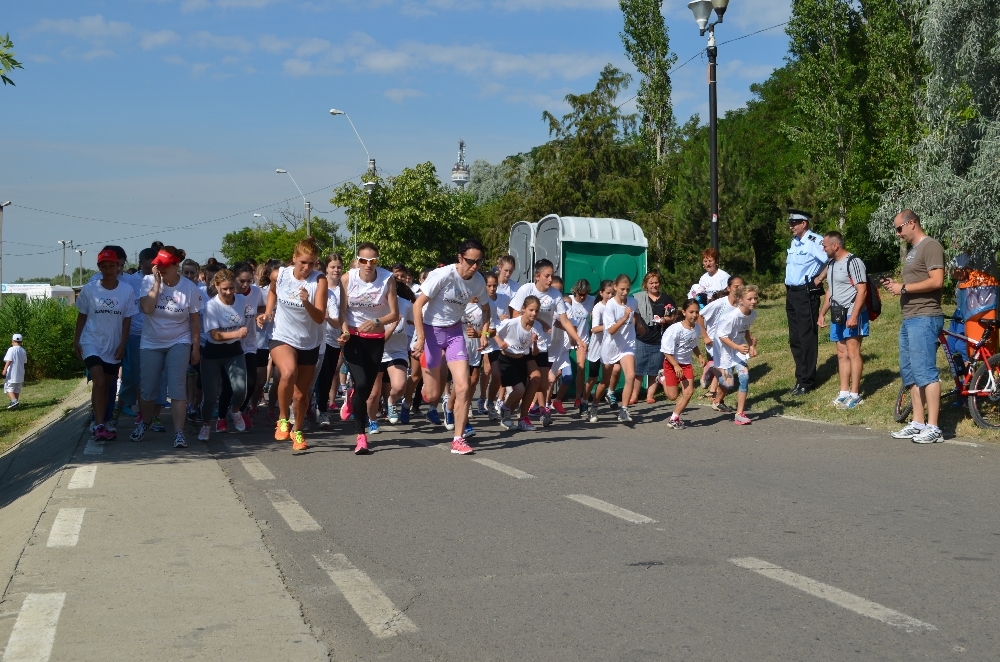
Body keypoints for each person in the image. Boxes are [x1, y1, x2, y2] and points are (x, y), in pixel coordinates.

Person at [412, 239, 490, 455]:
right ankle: (432, 383)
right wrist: (420, 338)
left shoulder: (478, 282)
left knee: (464, 386)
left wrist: (484, 333)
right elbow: (417, 305)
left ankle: (458, 438)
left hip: (455, 332)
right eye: (469, 261)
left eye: (479, 262)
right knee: (432, 394)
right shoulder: (443, 275)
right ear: (459, 258)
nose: (474, 266)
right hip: (431, 332)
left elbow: (486, 309)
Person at [883, 210, 946, 443]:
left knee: (926, 372)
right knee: (910, 372)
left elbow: (937, 280)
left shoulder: (930, 246)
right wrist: (897, 286)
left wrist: (904, 288)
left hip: (925, 316)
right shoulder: (912, 252)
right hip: (909, 317)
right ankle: (918, 422)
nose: (897, 233)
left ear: (912, 223)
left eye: (899, 228)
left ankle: (934, 427)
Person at [259, 237, 328, 452]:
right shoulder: (280, 275)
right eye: (303, 263)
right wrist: (268, 312)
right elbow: (272, 291)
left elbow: (319, 318)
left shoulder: (319, 281)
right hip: (283, 336)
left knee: (301, 394)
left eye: (312, 263)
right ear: (294, 259)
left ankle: (297, 430)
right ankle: (282, 419)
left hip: (309, 342)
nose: (307, 268)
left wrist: (306, 301)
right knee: (287, 373)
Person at [132, 246, 201, 448]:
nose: (159, 270)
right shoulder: (148, 281)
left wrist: (195, 347)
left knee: (177, 387)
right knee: (148, 389)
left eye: (164, 267)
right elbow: (146, 308)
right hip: (151, 342)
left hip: (179, 340)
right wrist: (156, 285)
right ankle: (145, 422)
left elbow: (195, 321)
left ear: (175, 265)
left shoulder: (189, 288)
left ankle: (179, 433)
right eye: (157, 266)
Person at [509, 259, 588, 427]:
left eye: (552, 275)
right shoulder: (526, 289)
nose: (550, 279)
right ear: (537, 276)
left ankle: (527, 415)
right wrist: (537, 322)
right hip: (523, 343)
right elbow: (515, 315)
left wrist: (579, 340)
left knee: (541, 382)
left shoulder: (555, 295)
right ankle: (507, 408)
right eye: (547, 276)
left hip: (543, 344)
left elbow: (565, 320)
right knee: (524, 384)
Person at [337, 242, 399, 454]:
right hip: (353, 337)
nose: (368, 265)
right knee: (362, 383)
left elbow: (395, 314)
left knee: (367, 388)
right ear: (358, 260)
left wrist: (377, 321)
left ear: (377, 261)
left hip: (375, 338)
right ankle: (361, 436)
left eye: (372, 261)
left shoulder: (387, 279)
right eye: (363, 260)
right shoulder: (348, 278)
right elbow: (342, 311)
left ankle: (353, 395)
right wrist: (344, 331)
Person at [74, 249, 139, 441]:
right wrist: (76, 340)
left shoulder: (127, 290)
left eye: (112, 266)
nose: (109, 270)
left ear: (118, 267)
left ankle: (103, 421)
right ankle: (98, 424)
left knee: (108, 385)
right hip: (91, 341)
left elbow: (127, 319)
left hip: (113, 345)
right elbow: (82, 315)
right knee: (99, 382)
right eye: (104, 266)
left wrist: (123, 344)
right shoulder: (90, 289)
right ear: (99, 268)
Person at [817, 231, 869, 410]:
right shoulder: (831, 264)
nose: (823, 249)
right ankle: (843, 392)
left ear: (835, 245)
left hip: (853, 313)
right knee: (841, 353)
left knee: (853, 352)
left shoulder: (853, 262)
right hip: (837, 314)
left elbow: (862, 290)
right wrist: (822, 313)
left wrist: (854, 315)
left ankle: (855, 394)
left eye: (824, 246)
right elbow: (831, 291)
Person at [197, 269, 249, 441]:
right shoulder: (212, 306)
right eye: (224, 289)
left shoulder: (241, 300)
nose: (228, 292)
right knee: (210, 396)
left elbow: (254, 311)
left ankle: (234, 411)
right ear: (216, 286)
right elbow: (215, 335)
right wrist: (237, 333)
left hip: (234, 351)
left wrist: (260, 317)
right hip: (213, 354)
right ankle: (205, 424)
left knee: (241, 389)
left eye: (231, 288)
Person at [784, 209, 828, 395]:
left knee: (806, 336)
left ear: (804, 224)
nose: (791, 226)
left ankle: (808, 381)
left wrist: (819, 278)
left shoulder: (815, 242)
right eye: (790, 223)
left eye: (795, 223)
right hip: (792, 294)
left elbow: (831, 259)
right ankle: (800, 377)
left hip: (805, 293)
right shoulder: (794, 243)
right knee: (795, 338)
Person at [115, 246, 157, 423]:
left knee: (148, 376)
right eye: (147, 268)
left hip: (153, 335)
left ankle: (142, 411)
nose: (150, 271)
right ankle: (123, 407)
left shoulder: (161, 281)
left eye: (152, 268)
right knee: (133, 376)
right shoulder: (130, 281)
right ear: (140, 264)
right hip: (134, 334)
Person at [365, 278, 412, 434]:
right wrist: (392, 326)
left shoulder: (405, 304)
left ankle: (390, 401)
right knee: (373, 395)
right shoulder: (373, 306)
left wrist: (419, 339)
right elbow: (380, 340)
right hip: (376, 351)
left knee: (399, 387)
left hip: (397, 351)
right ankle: (372, 421)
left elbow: (418, 319)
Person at [494, 296, 544, 430]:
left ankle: (521, 418)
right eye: (531, 310)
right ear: (523, 309)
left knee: (527, 386)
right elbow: (493, 331)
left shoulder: (537, 327)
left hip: (522, 358)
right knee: (520, 390)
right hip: (506, 359)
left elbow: (534, 353)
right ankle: (504, 409)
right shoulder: (512, 323)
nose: (534, 313)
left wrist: (534, 342)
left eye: (537, 311)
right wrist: (500, 342)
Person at [713, 284, 759, 425]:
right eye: (749, 299)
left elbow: (745, 329)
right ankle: (712, 369)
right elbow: (722, 336)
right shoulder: (731, 316)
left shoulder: (752, 314)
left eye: (755, 298)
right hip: (724, 350)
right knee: (728, 383)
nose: (753, 301)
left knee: (744, 376)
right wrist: (738, 347)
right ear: (740, 300)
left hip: (738, 349)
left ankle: (739, 414)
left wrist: (751, 345)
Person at [597, 274, 639, 423]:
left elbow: (636, 314)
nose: (625, 292)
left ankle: (624, 410)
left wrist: (638, 324)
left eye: (627, 289)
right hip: (610, 346)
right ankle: (594, 405)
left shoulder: (633, 302)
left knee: (630, 375)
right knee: (605, 381)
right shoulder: (610, 306)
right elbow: (611, 331)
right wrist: (624, 318)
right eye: (622, 289)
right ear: (615, 287)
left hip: (627, 345)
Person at [699, 275, 744, 413]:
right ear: (728, 288)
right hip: (716, 344)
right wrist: (705, 336)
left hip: (732, 345)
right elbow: (700, 316)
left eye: (742, 286)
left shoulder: (742, 304)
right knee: (728, 379)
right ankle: (711, 368)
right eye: (736, 286)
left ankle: (718, 401)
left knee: (728, 382)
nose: (739, 289)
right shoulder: (720, 303)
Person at [633, 271, 678, 404]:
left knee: (655, 370)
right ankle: (634, 395)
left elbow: (674, 315)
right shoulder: (637, 298)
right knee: (638, 370)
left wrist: (666, 319)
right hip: (641, 338)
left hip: (660, 339)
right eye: (651, 283)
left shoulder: (666, 299)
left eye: (656, 282)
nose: (654, 285)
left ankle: (650, 395)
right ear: (645, 284)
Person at [660, 299, 705, 429]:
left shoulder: (697, 328)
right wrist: (675, 365)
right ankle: (662, 379)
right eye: (691, 312)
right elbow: (666, 352)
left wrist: (700, 356)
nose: (694, 315)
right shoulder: (675, 329)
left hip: (686, 364)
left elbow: (693, 344)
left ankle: (674, 418)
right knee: (672, 396)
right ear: (684, 312)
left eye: (697, 312)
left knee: (689, 392)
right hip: (671, 363)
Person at [315, 253, 344, 428]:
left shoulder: (343, 289)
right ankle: (320, 410)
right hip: (317, 338)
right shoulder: (318, 286)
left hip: (336, 338)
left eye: (339, 267)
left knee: (328, 376)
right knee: (318, 376)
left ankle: (320, 405)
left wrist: (343, 331)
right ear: (326, 268)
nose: (336, 270)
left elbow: (344, 315)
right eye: (332, 267)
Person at [584, 281, 615, 421]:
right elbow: (594, 329)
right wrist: (610, 325)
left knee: (607, 378)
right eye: (608, 293)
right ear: (601, 293)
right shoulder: (598, 308)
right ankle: (584, 401)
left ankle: (594, 407)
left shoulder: (616, 307)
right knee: (592, 378)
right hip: (596, 348)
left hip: (610, 348)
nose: (610, 296)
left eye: (612, 293)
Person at [4, 334, 27, 410]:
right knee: (17, 388)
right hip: (20, 372)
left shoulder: (11, 349)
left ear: (12, 341)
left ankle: (14, 401)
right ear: (21, 342)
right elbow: (24, 362)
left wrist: (4, 369)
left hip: (12, 372)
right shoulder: (23, 351)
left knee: (9, 387)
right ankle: (15, 405)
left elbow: (9, 360)